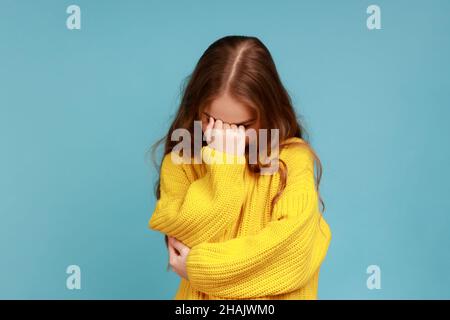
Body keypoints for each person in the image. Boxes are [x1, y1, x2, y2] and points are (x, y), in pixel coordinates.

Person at [148, 35, 331, 300]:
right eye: (211, 119)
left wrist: (198, 269)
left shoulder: (291, 160)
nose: (223, 135)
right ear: (197, 108)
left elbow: (291, 256)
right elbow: (183, 241)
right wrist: (226, 165)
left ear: (268, 113)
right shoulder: (182, 162)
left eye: (242, 127)